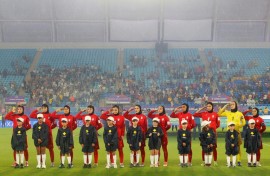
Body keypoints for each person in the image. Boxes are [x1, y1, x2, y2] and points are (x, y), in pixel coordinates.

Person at [218, 101, 246, 166]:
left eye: (233, 104)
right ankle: (230, 161)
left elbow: (244, 122)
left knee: (238, 147)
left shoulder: (240, 113)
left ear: (236, 105)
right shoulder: (227, 112)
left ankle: (239, 161)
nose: (232, 105)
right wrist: (225, 106)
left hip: (237, 132)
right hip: (229, 133)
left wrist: (238, 126)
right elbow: (219, 114)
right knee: (229, 147)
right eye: (231, 105)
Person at [193, 102, 220, 166]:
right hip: (204, 133)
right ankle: (203, 161)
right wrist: (202, 108)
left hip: (212, 132)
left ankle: (215, 161)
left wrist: (211, 129)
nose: (208, 107)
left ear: (212, 107)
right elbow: (195, 114)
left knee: (213, 147)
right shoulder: (203, 113)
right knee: (204, 147)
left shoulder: (216, 114)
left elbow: (218, 124)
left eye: (210, 106)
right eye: (207, 106)